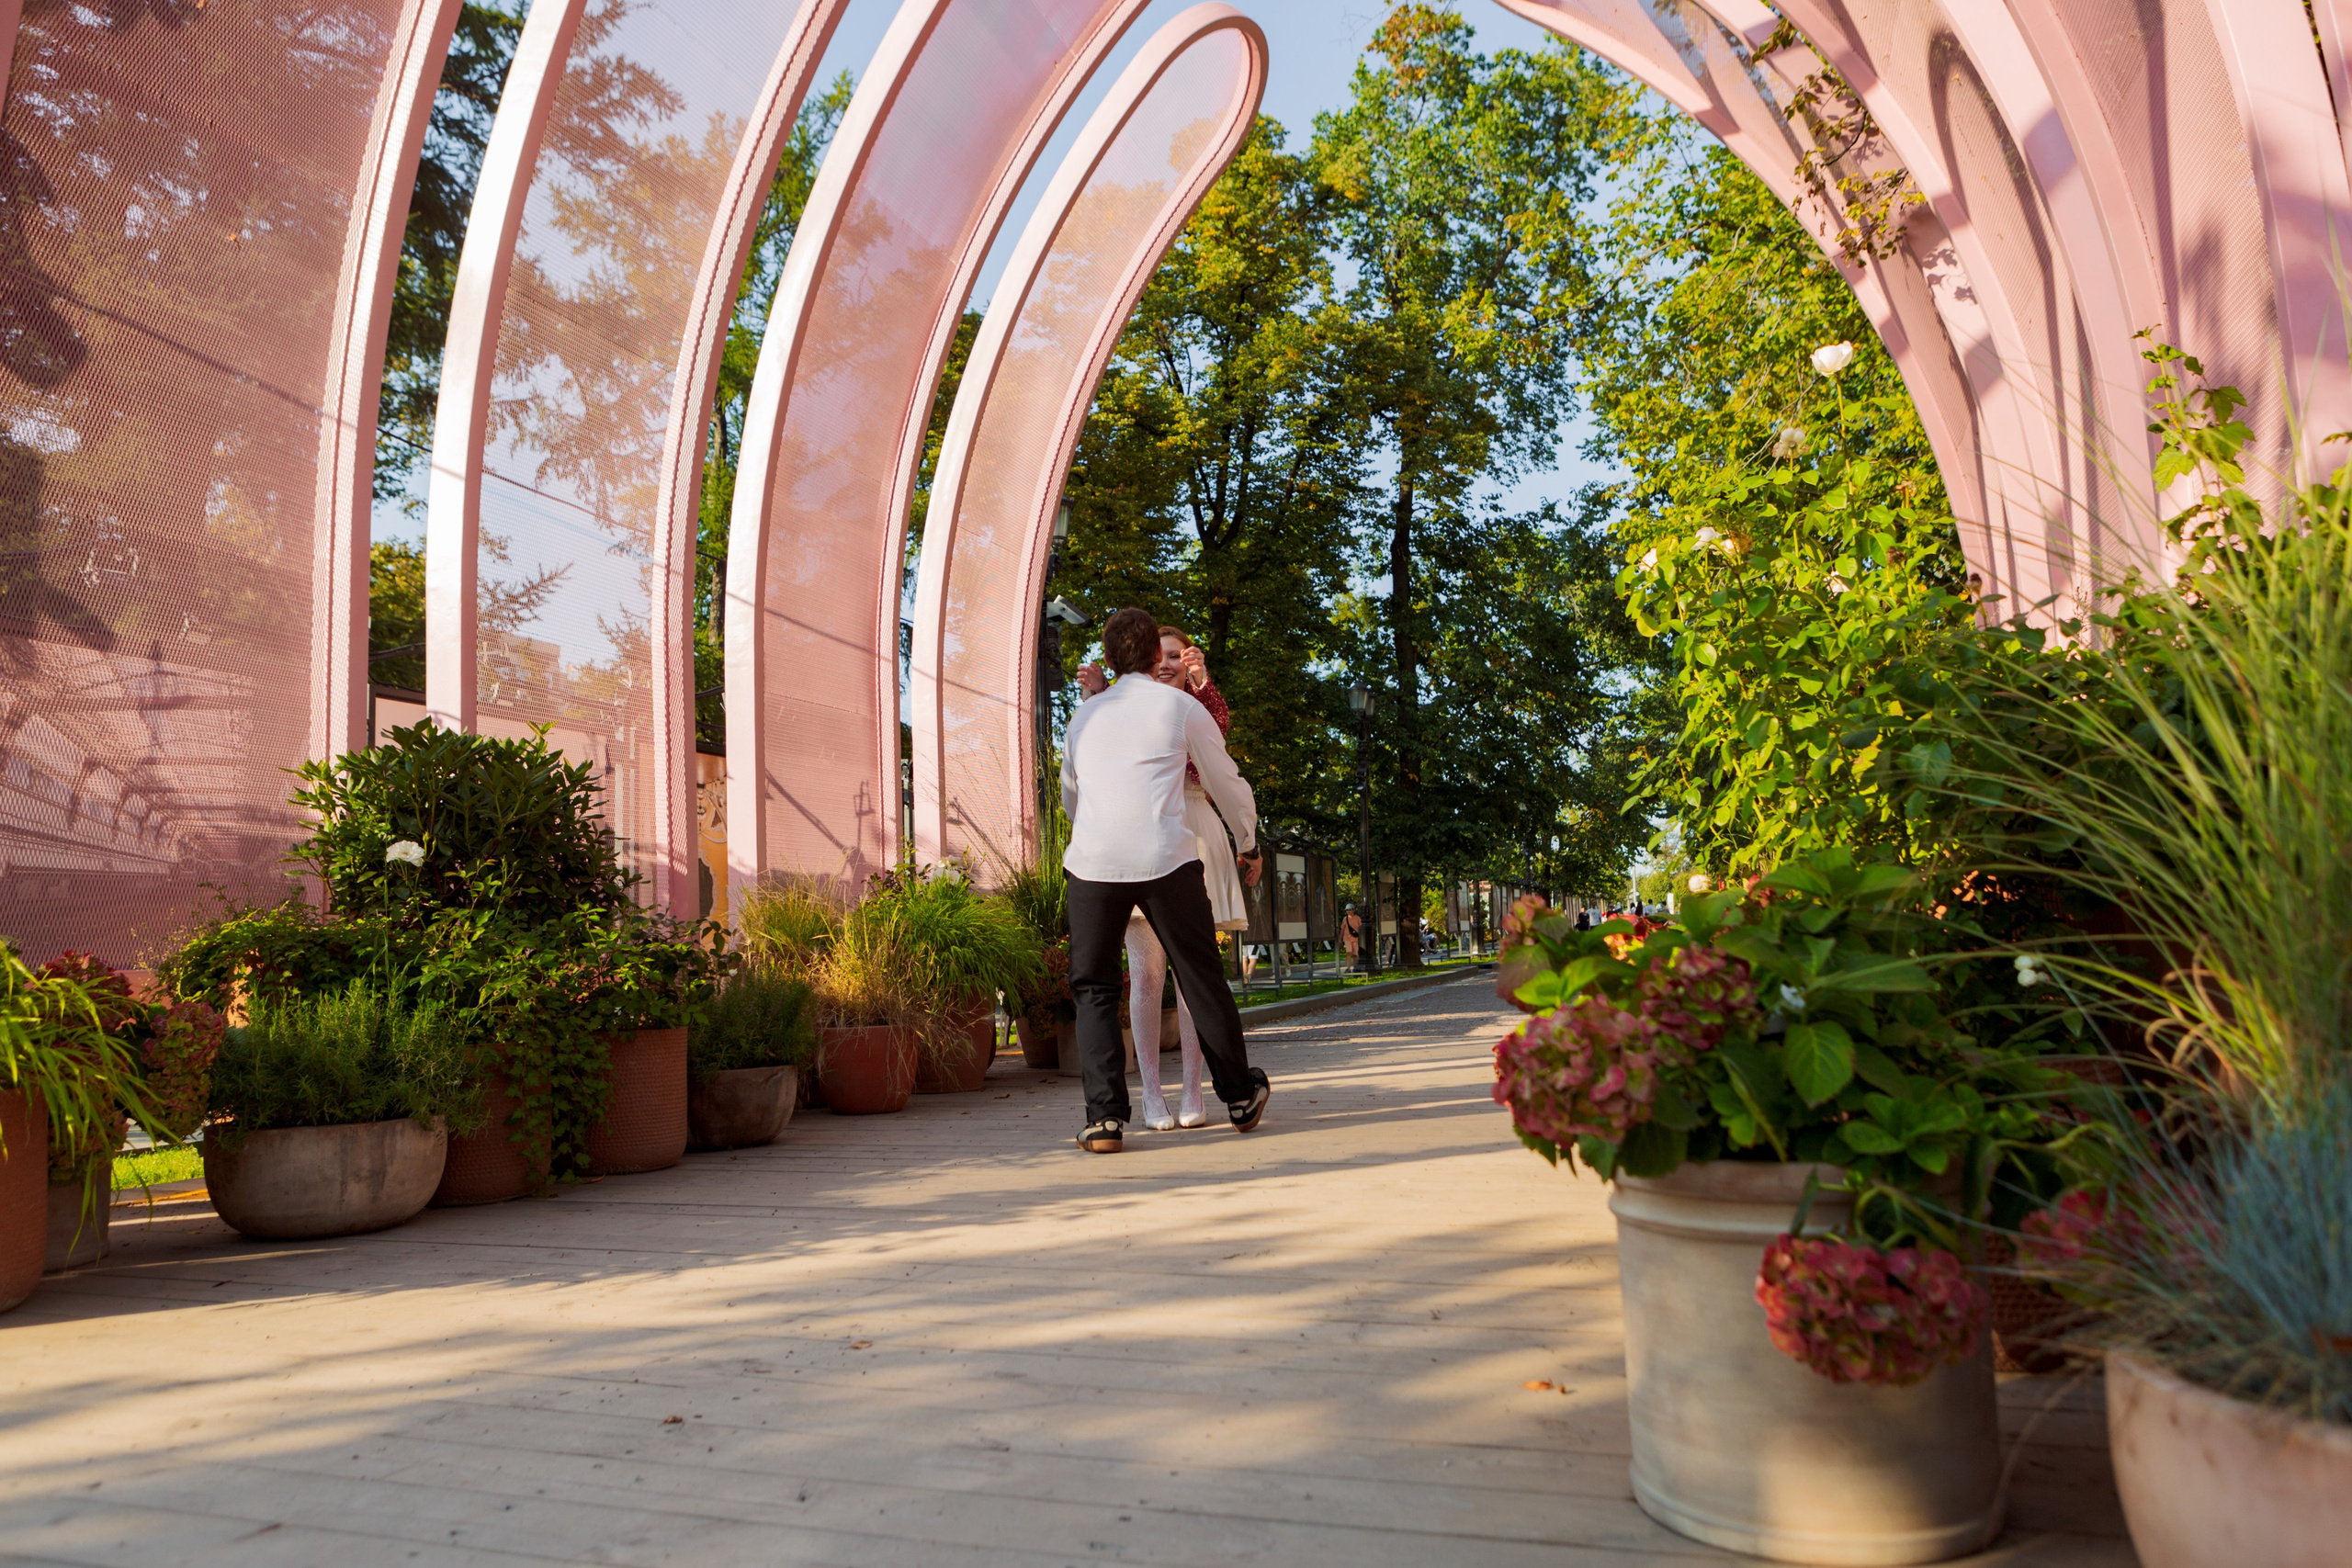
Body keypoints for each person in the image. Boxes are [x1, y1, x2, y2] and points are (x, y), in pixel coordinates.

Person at [1061, 607, 1268, 1154]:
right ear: (1157, 656)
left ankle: (1104, 1120)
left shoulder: (1084, 718)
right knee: (1199, 975)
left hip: (1093, 863)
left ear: (1108, 659)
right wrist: (1247, 841)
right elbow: (1226, 780)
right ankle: (1240, 1096)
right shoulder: (1178, 708)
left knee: (1095, 988)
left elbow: (1071, 797)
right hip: (1167, 859)